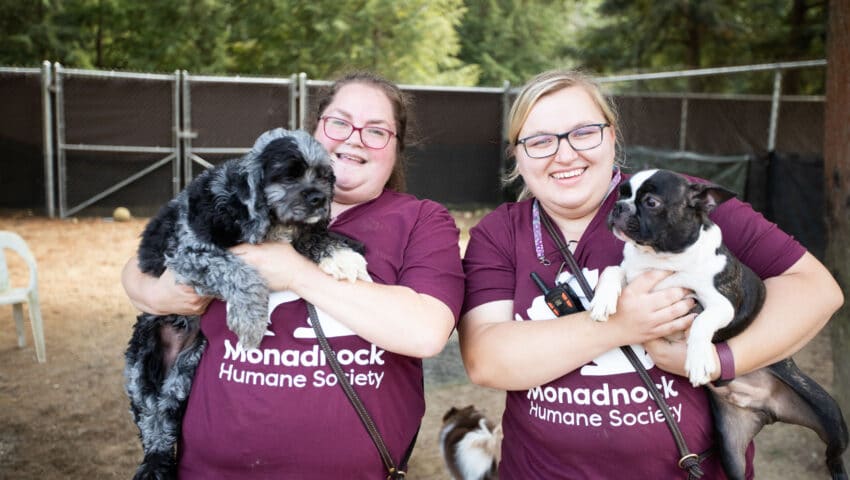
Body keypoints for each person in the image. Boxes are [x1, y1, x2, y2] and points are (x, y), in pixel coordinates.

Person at [458, 69, 843, 479]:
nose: (565, 154)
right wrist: (621, 324)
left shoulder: (680, 198)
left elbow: (816, 291)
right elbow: (486, 360)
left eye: (584, 132)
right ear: (516, 153)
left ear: (612, 135)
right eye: (539, 141)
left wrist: (719, 360)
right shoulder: (501, 232)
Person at [121, 72, 465, 478]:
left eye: (376, 131)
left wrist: (297, 273)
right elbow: (146, 258)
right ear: (315, 130)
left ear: (396, 149)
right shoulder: (247, 195)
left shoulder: (420, 220)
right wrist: (154, 293)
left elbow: (425, 332)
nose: (354, 138)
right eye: (339, 122)